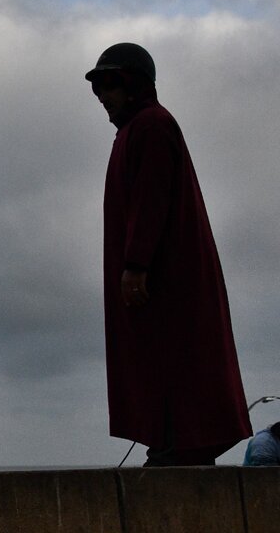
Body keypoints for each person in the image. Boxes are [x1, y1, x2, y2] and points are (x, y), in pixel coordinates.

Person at [89, 42, 250, 466]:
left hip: (165, 282)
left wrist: (137, 265)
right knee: (152, 359)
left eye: (110, 84)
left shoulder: (152, 126)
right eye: (98, 88)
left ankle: (178, 440)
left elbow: (151, 198)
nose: (103, 96)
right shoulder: (134, 131)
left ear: (133, 85)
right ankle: (167, 438)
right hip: (153, 280)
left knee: (174, 358)